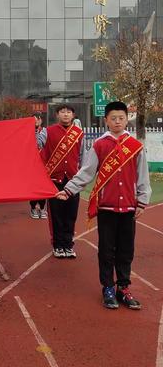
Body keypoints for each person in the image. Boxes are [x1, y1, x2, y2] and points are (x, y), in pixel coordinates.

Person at [56, 101, 151, 309]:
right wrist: (69, 189)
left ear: (127, 120)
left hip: (128, 207)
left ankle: (123, 288)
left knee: (126, 250)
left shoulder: (135, 146)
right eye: (113, 118)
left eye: (121, 118)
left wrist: (142, 201)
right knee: (106, 250)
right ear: (106, 120)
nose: (117, 122)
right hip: (106, 207)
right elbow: (87, 172)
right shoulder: (99, 144)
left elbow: (142, 176)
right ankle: (108, 287)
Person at [38, 104, 84, 259]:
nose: (65, 114)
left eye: (69, 112)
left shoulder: (78, 134)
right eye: (62, 112)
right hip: (54, 180)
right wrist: (29, 129)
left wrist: (81, 177)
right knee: (56, 215)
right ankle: (58, 245)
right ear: (57, 114)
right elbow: (36, 144)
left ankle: (68, 245)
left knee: (71, 215)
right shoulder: (48, 131)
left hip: (73, 181)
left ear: (73, 115)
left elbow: (82, 157)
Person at [30, 113, 48, 219]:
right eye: (33, 120)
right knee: (34, 187)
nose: (35, 122)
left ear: (41, 120)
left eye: (37, 120)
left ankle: (42, 208)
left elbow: (41, 144)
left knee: (43, 186)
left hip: (44, 163)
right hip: (32, 164)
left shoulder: (45, 131)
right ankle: (33, 207)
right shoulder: (28, 131)